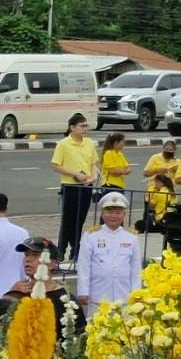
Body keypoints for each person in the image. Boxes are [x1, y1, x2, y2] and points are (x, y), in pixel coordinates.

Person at [79, 191, 143, 309]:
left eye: (118, 212)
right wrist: (83, 290)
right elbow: (84, 265)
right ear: (102, 214)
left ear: (124, 215)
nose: (114, 216)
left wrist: (136, 293)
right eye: (109, 212)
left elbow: (136, 268)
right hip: (98, 296)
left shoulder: (131, 237)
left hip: (124, 296)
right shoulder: (91, 235)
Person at [51, 113, 99, 265]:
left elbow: (93, 164)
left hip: (86, 186)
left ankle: (76, 250)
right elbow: (56, 165)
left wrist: (91, 177)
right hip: (70, 185)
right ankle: (61, 249)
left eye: (86, 126)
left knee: (80, 220)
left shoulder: (89, 143)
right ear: (72, 127)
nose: (85, 129)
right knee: (68, 220)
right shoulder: (64, 144)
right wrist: (76, 174)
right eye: (82, 126)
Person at [144, 138, 179, 227]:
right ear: (163, 149)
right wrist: (157, 170)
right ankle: (148, 227)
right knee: (150, 213)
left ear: (174, 151)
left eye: (171, 151)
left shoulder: (177, 161)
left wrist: (177, 170)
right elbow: (146, 173)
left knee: (168, 213)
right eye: (167, 150)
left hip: (168, 192)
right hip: (154, 190)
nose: (168, 152)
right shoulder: (155, 158)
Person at [99, 131, 130, 198]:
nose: (124, 144)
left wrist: (120, 171)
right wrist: (123, 171)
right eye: (122, 142)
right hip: (110, 185)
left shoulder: (120, 154)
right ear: (116, 143)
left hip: (120, 185)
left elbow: (128, 168)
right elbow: (112, 171)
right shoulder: (108, 154)